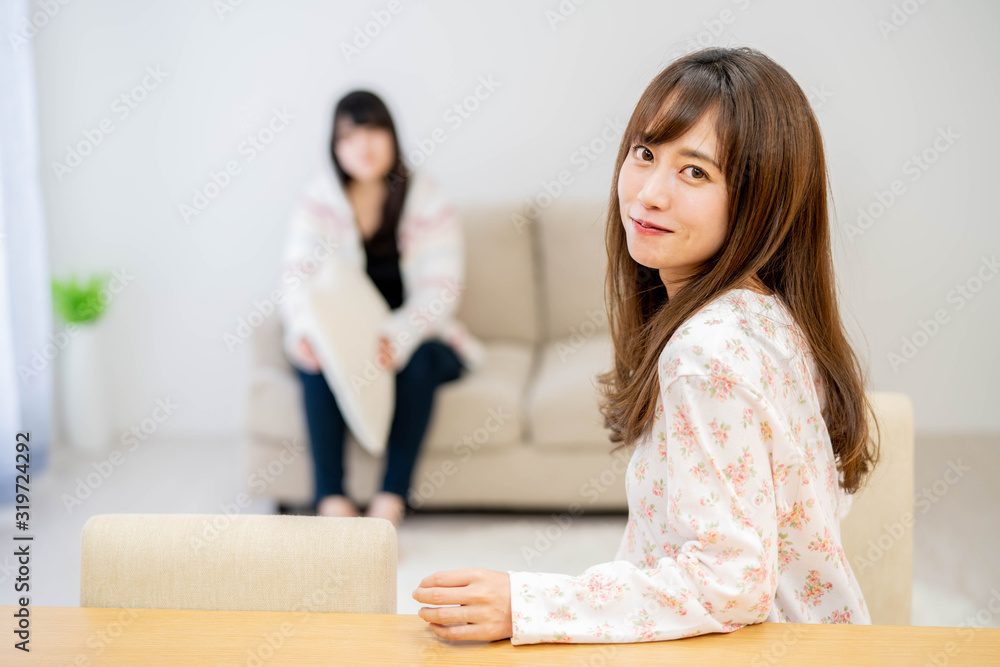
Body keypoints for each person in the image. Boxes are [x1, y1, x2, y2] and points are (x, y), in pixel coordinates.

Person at [411, 46, 881, 644]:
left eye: (695, 172)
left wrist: (525, 603)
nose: (650, 193)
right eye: (645, 153)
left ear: (761, 201)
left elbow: (730, 584)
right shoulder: (769, 314)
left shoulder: (706, 354)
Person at [277, 90, 486, 529]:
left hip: (420, 338)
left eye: (374, 131)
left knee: (420, 363)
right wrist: (303, 332)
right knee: (317, 356)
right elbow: (298, 280)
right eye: (349, 137)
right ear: (335, 148)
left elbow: (442, 289)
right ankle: (331, 499)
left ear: (392, 136)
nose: (364, 146)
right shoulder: (317, 200)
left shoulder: (428, 198)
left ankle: (390, 501)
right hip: (348, 341)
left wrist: (398, 337)